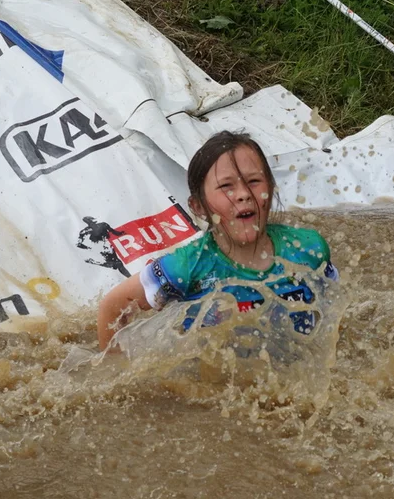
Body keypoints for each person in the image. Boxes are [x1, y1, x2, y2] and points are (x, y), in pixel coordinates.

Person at [96, 131, 338, 350]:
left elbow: (334, 311)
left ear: (271, 188)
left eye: (254, 181)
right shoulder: (188, 267)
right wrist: (113, 367)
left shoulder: (309, 249)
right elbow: (114, 305)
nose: (244, 194)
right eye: (226, 187)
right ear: (198, 206)